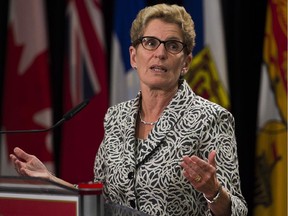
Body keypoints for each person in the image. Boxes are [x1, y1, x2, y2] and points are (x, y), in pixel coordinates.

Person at [10, 3, 248, 216]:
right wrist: (50, 180)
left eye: (173, 45)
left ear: (185, 62)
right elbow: (99, 200)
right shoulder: (117, 117)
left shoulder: (211, 118)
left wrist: (213, 192)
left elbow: (237, 210)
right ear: (134, 57)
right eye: (150, 42)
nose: (160, 53)